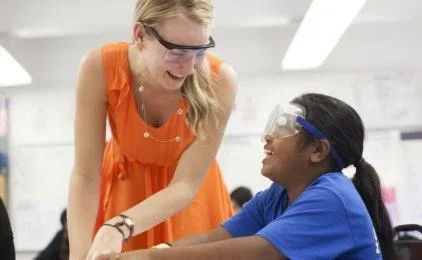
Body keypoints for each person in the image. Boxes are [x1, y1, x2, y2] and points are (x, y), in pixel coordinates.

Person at [98, 93, 395, 259]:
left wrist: (145, 259)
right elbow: (214, 239)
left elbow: (257, 253)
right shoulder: (278, 196)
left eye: (284, 127)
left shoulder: (332, 196)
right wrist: (152, 252)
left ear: (318, 150)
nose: (268, 136)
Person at [67, 0, 238, 259]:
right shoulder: (99, 67)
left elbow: (185, 185)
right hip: (126, 193)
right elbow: (86, 175)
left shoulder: (220, 80)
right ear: (140, 35)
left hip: (191, 201)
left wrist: (120, 225)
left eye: (200, 51)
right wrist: (77, 255)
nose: (190, 68)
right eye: (177, 52)